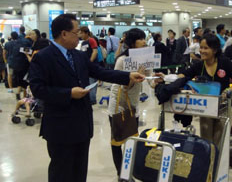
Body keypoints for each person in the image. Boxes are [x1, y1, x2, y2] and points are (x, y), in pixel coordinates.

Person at [29, 14, 145, 182]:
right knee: (61, 171)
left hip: (82, 124)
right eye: (76, 32)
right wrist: (68, 93)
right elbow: (37, 89)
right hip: (60, 126)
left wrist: (128, 76)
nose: (80, 36)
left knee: (79, 170)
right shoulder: (43, 57)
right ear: (64, 34)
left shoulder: (78, 55)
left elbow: (100, 72)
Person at [155, 34, 232, 144]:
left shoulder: (225, 63)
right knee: (206, 142)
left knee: (220, 142)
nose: (201, 51)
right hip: (207, 109)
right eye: (201, 47)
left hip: (223, 109)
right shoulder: (199, 65)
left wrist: (228, 91)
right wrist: (165, 77)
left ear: (215, 50)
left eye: (206, 48)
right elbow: (183, 75)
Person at [108, 28, 149, 179]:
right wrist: (131, 81)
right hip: (118, 103)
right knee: (117, 139)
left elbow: (149, 80)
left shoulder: (146, 58)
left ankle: (129, 169)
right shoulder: (122, 60)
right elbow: (118, 83)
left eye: (144, 38)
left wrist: (156, 79)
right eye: (140, 39)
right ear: (132, 42)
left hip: (133, 104)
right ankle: (121, 173)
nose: (144, 41)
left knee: (132, 139)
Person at [79, 26, 99, 105]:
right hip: (85, 67)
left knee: (92, 82)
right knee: (88, 83)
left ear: (86, 33)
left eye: (81, 33)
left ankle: (92, 99)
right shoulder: (83, 42)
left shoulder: (91, 40)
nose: (80, 35)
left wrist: (90, 62)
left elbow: (95, 52)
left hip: (92, 66)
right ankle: (90, 98)